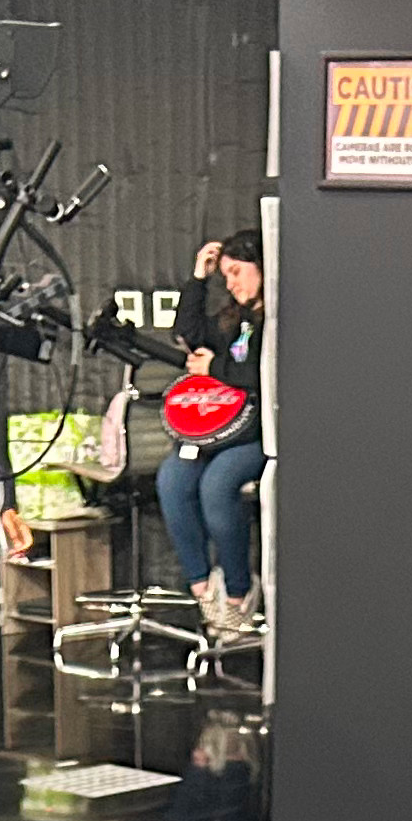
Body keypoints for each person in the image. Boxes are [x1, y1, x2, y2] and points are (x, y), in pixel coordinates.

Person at [159, 231, 265, 641]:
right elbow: (188, 334)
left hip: (255, 434)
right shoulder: (232, 319)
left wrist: (213, 369)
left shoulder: (276, 317)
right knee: (172, 479)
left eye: (238, 272)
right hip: (216, 432)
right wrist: (198, 280)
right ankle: (204, 591)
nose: (233, 283)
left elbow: (258, 374)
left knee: (217, 486)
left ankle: (239, 593)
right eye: (227, 276)